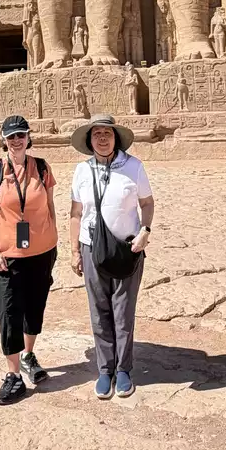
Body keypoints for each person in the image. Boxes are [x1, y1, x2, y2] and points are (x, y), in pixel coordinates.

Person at [69, 113, 154, 399]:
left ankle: (123, 369)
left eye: (108, 133)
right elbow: (76, 214)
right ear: (89, 139)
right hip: (91, 247)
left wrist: (145, 231)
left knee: (123, 311)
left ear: (116, 138)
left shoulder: (133, 167)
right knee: (99, 311)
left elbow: (147, 202)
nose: (103, 138)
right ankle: (104, 369)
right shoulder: (82, 170)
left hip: (128, 248)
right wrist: (74, 251)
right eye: (97, 134)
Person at [0, 114, 58, 405]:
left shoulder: (43, 168)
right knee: (9, 312)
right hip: (8, 254)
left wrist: (54, 241)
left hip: (42, 250)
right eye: (11, 136)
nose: (16, 140)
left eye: (20, 135)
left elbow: (50, 207)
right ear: (3, 140)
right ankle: (13, 375)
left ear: (28, 137)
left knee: (35, 307)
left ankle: (28, 356)